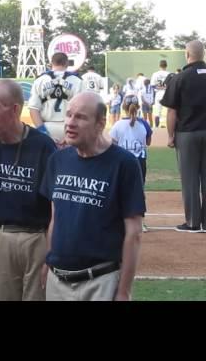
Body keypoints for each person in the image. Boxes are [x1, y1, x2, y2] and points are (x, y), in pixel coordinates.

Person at [40, 92, 146, 301]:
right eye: (69, 115)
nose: (70, 123)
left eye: (80, 117)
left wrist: (123, 291)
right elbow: (55, 219)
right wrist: (48, 261)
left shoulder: (124, 164)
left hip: (101, 283)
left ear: (100, 124)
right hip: (57, 282)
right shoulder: (58, 160)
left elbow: (134, 233)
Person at [0, 80, 57, 301]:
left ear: (14, 109)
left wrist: (50, 254)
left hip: (36, 239)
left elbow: (56, 208)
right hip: (1, 235)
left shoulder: (43, 146)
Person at [161, 40, 206, 233]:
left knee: (189, 179)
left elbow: (172, 112)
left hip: (187, 133)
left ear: (187, 54)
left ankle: (193, 222)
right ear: (203, 54)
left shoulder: (180, 78)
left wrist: (170, 136)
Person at [109, 96, 152, 232]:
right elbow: (148, 142)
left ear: (123, 107)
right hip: (139, 160)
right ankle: (141, 223)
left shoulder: (117, 125)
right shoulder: (144, 124)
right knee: (139, 191)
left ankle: (118, 221)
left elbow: (112, 145)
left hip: (122, 160)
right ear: (138, 107)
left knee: (119, 190)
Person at [28, 52, 83, 147]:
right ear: (66, 63)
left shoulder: (40, 80)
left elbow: (33, 109)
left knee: (47, 161)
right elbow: (82, 109)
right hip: (70, 128)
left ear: (51, 63)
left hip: (47, 126)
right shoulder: (77, 81)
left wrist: (43, 132)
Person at [150, 60, 170, 128]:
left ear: (159, 65)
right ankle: (170, 127)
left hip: (158, 93)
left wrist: (160, 87)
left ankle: (156, 127)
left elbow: (152, 85)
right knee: (169, 111)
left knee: (157, 112)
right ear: (166, 65)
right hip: (167, 93)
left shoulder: (155, 74)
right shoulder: (169, 74)